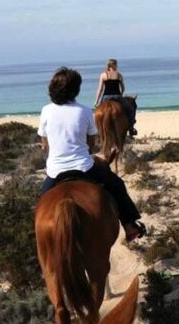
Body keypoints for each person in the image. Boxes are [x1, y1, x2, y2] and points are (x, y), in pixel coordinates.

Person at [39, 67, 145, 241]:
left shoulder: (46, 111)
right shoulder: (85, 111)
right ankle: (130, 226)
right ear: (76, 90)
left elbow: (45, 143)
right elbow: (90, 143)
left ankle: (39, 238)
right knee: (117, 185)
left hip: (55, 170)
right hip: (84, 167)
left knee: (42, 204)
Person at [95, 58, 137, 136]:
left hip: (106, 97)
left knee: (97, 112)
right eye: (116, 64)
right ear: (113, 65)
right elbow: (123, 88)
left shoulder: (103, 75)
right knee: (130, 109)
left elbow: (100, 89)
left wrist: (96, 101)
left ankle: (97, 129)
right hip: (117, 96)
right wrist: (120, 93)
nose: (117, 66)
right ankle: (131, 128)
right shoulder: (119, 75)